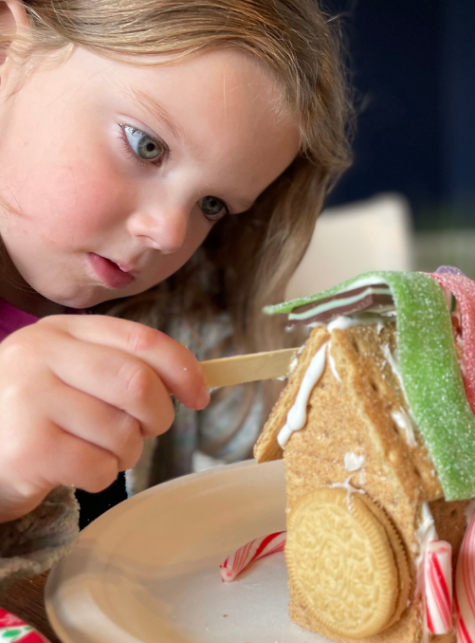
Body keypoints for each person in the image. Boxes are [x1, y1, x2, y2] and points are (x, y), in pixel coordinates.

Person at [0, 0, 352, 590]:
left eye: (211, 205)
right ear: (11, 40)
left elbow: (287, 427)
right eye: (145, 146)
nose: (169, 233)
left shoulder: (176, 318)